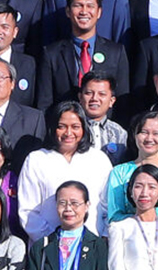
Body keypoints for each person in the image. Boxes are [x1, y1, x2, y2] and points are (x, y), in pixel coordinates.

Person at [18, 101, 113, 240]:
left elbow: (110, 205)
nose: (68, 133)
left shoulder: (99, 159)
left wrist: (102, 238)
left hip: (93, 243)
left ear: (84, 128)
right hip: (48, 244)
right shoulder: (36, 159)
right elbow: (28, 211)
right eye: (61, 127)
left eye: (75, 127)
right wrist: (52, 241)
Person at [35, 0, 128, 114]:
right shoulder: (51, 53)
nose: (84, 11)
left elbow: (123, 101)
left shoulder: (116, 52)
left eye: (90, 6)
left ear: (99, 12)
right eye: (78, 5)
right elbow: (44, 103)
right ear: (68, 11)